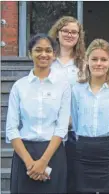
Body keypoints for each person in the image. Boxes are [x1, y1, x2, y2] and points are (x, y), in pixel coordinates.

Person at [6, 33, 71, 194]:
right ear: (30, 53)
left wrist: (43, 162)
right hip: (24, 154)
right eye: (38, 50)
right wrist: (30, 163)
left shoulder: (63, 86)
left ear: (54, 54)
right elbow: (11, 129)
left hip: (53, 153)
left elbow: (61, 127)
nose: (43, 54)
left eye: (48, 50)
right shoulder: (19, 87)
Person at [71, 39, 109, 193]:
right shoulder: (76, 90)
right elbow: (75, 122)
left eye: (104, 59)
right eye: (94, 59)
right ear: (87, 61)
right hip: (84, 150)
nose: (99, 63)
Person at [48, 16, 85, 193]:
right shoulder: (47, 60)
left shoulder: (84, 63)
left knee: (73, 180)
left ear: (79, 36)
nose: (69, 35)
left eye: (74, 32)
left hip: (74, 130)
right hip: (50, 129)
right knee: (52, 180)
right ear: (57, 33)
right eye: (65, 31)